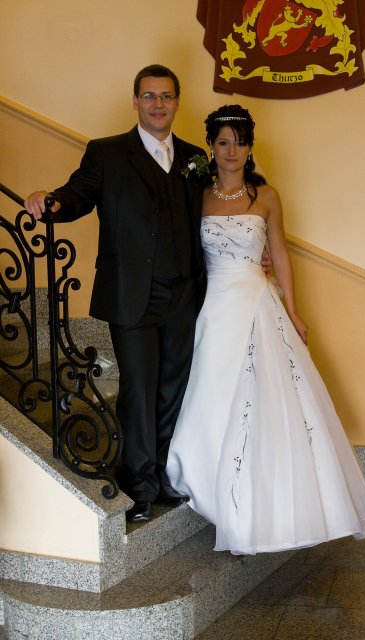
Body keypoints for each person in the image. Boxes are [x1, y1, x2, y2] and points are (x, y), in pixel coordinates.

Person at [166, 104, 365, 555]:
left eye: (240, 142)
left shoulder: (266, 196)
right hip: (213, 306)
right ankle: (209, 480)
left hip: (257, 301)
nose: (232, 151)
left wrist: (294, 311)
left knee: (265, 397)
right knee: (212, 392)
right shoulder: (195, 195)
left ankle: (262, 497)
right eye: (223, 142)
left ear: (250, 147)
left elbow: (280, 253)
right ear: (210, 147)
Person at [24, 65, 208, 522]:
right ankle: (139, 484)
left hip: (184, 291)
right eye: (149, 96)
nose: (158, 104)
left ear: (177, 101)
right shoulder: (106, 152)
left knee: (174, 388)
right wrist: (51, 202)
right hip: (132, 293)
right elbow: (78, 195)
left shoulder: (193, 157)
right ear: (135, 101)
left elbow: (214, 212)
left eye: (166, 96)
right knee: (139, 388)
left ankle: (164, 473)